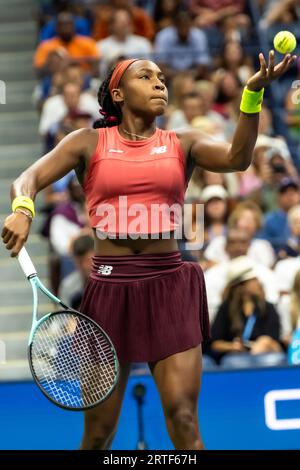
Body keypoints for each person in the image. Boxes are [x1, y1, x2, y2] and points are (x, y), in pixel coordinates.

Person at [1, 53, 295, 450]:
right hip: (109, 293)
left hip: (169, 286)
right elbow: (28, 178)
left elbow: (237, 158)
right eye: (146, 76)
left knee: (185, 421)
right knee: (98, 434)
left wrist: (252, 94)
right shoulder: (87, 142)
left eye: (161, 77)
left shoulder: (183, 142)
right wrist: (23, 209)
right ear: (118, 93)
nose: (160, 83)